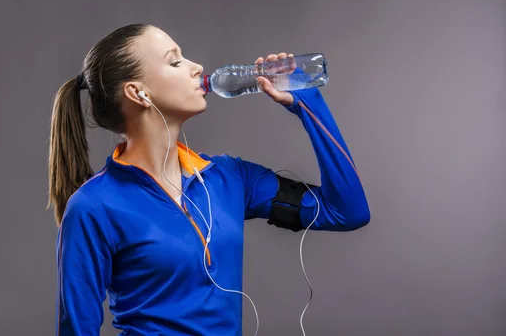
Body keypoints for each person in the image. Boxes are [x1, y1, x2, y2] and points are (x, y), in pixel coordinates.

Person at [48, 24, 370, 336]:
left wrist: (306, 102)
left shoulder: (228, 178)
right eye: (175, 61)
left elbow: (346, 211)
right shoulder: (93, 207)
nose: (196, 67)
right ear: (138, 93)